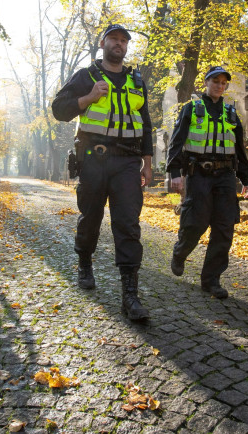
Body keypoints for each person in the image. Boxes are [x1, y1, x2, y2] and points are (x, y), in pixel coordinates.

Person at [52, 24, 153, 321]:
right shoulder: (86, 76)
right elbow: (59, 109)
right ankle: (85, 261)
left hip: (128, 162)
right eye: (114, 39)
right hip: (94, 160)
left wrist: (148, 162)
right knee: (91, 218)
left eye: (124, 41)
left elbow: (145, 124)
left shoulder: (136, 80)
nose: (119, 44)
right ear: (103, 43)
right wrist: (87, 98)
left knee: (128, 225)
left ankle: (130, 296)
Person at [166, 66, 248, 299]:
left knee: (224, 228)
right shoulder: (191, 109)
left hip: (225, 176)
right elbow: (177, 142)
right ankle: (180, 252)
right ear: (206, 82)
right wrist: (174, 172)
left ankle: (211, 280)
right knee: (196, 222)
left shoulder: (231, 114)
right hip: (199, 174)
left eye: (224, 83)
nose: (220, 86)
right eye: (216, 81)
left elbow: (239, 149)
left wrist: (246, 178)